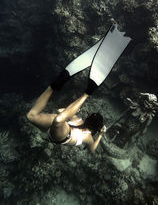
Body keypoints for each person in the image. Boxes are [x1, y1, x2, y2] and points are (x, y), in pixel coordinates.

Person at [26, 24, 131, 153]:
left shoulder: (86, 135)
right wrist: (101, 135)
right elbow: (92, 150)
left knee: (57, 119)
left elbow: (60, 111)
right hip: (54, 129)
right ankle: (57, 86)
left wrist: (68, 113)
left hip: (61, 134)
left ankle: (82, 94)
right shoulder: (82, 128)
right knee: (31, 116)